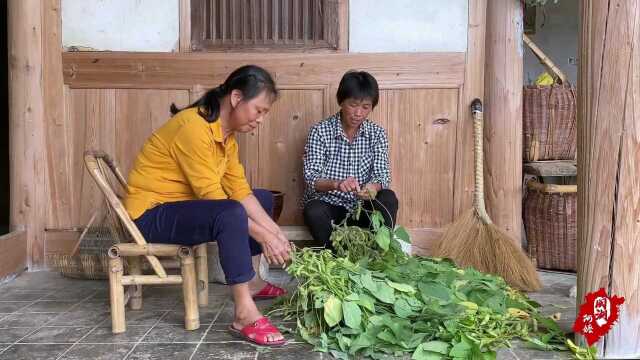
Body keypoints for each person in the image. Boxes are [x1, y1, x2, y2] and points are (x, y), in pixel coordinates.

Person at [124, 65, 291, 346]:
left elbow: (240, 190)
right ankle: (244, 314)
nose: (261, 119)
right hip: (150, 216)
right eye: (259, 110)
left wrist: (276, 233)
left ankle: (253, 282)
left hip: (180, 209)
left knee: (259, 197)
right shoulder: (193, 127)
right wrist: (263, 236)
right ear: (236, 98)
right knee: (229, 212)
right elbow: (214, 198)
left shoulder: (226, 136)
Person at [302, 70, 399, 249]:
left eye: (365, 107)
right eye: (353, 105)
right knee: (313, 209)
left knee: (388, 198)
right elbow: (311, 178)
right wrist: (337, 184)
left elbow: (382, 176)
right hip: (331, 209)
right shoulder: (320, 131)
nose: (358, 113)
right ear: (341, 101)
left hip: (362, 209)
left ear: (372, 107)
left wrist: (372, 188)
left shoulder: (377, 134)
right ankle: (336, 259)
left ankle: (377, 254)